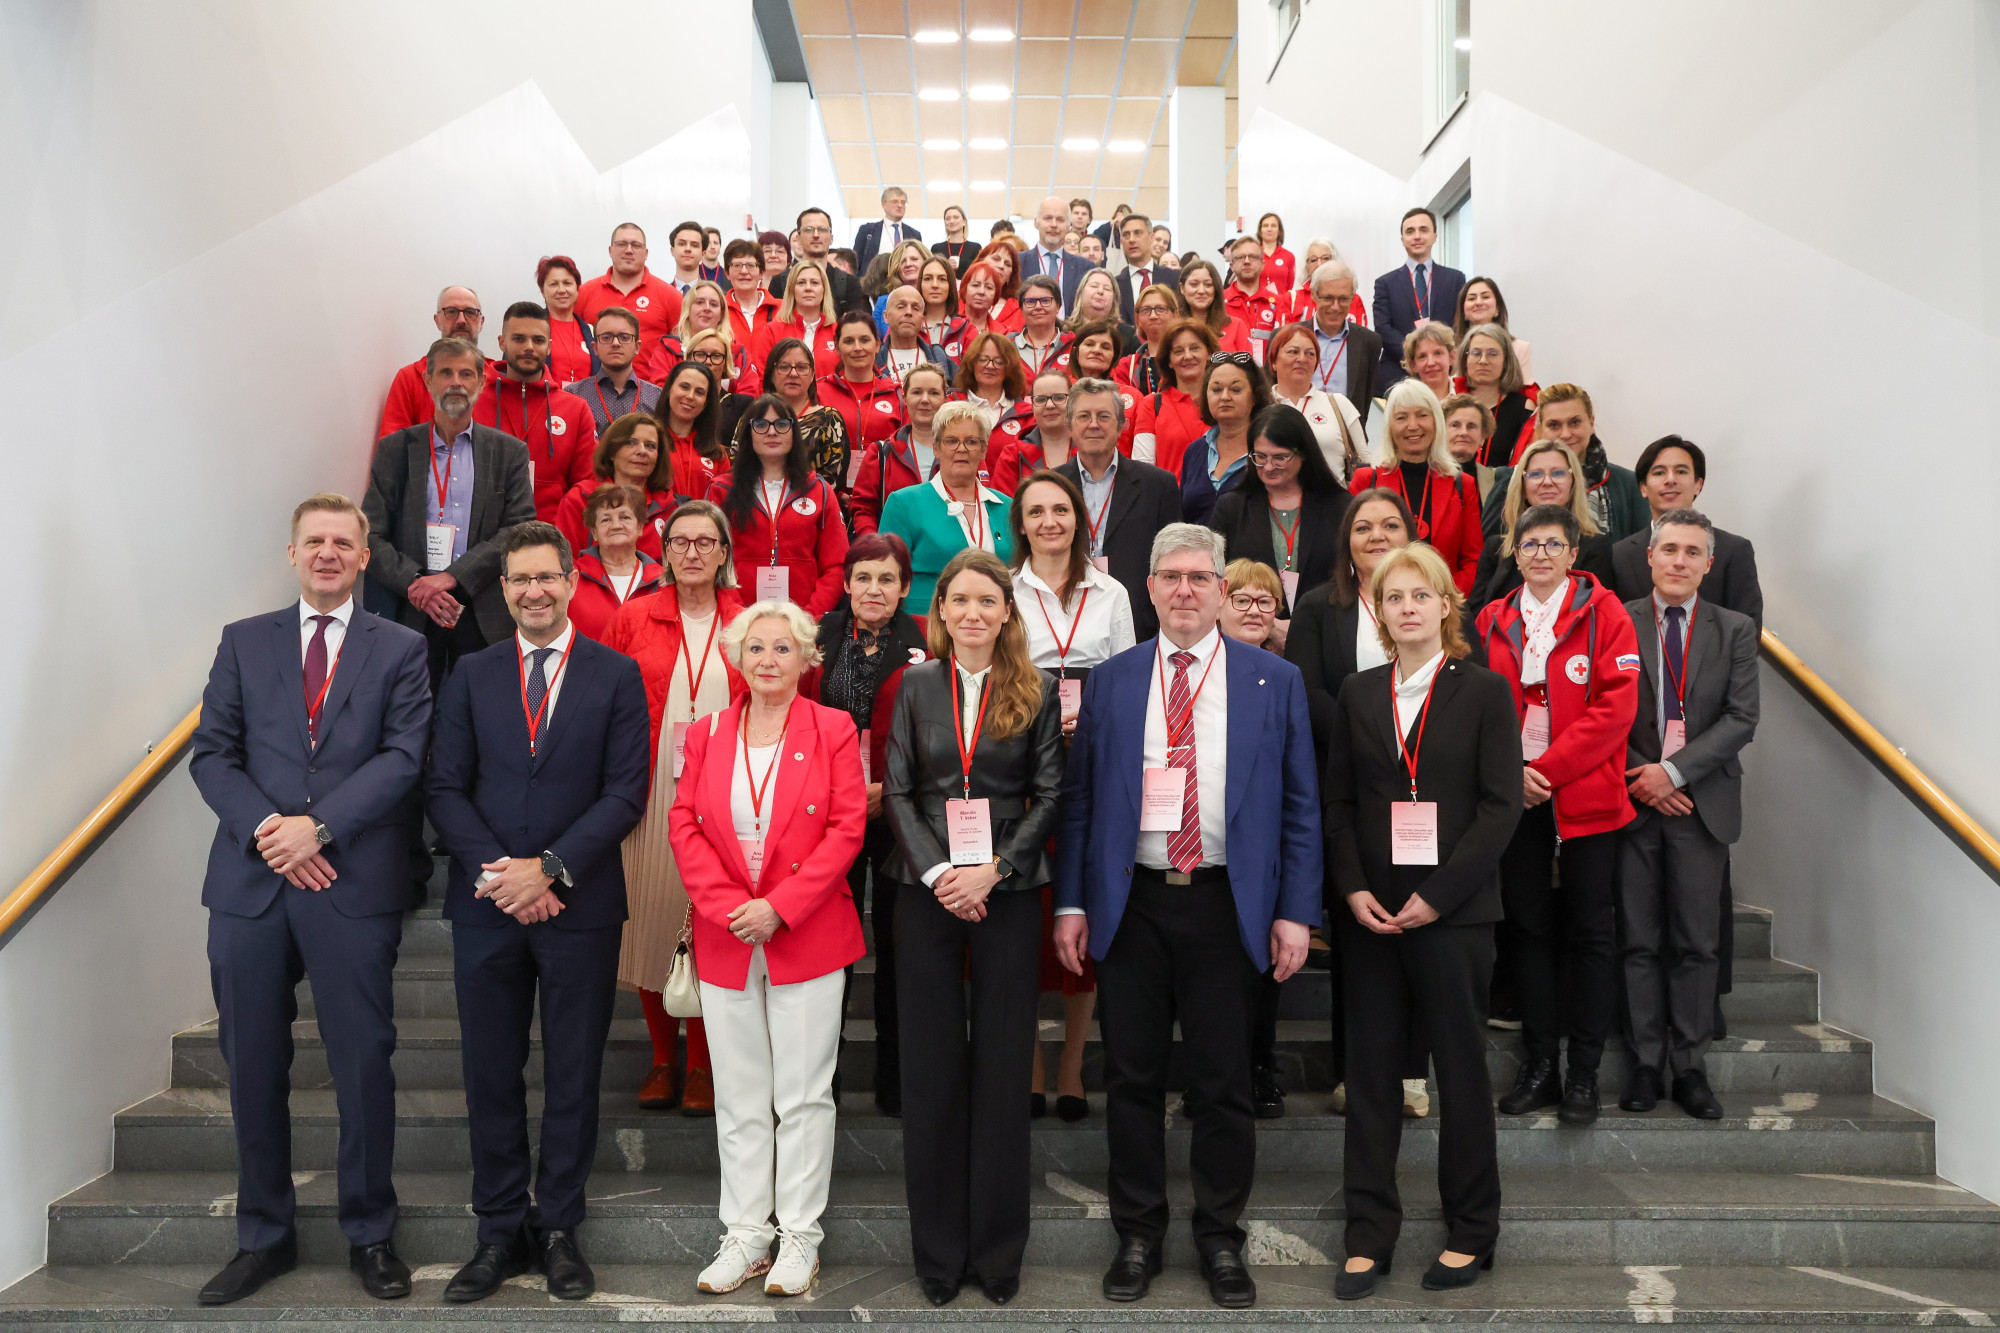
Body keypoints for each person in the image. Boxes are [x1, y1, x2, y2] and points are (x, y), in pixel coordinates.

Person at [1053, 523, 1319, 1310]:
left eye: (1199, 577)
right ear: (1148, 587)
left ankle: (1220, 1236)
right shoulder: (1112, 679)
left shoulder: (1274, 679)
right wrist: (1071, 899)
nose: (1184, 590)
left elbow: (1300, 806)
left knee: (1223, 1080)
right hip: (1132, 901)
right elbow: (1080, 801)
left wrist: (1295, 911)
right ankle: (1137, 1233)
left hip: (1227, 901)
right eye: (1169, 576)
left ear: (1222, 589)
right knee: (1131, 1076)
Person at [188, 494, 432, 1307]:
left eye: (342, 542)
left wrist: (318, 829)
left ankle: (371, 1233)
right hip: (251, 885)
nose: (328, 552)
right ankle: (264, 1235)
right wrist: (272, 830)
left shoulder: (400, 647)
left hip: (352, 882)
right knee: (253, 1063)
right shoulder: (243, 640)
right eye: (314, 541)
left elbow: (404, 757)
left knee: (362, 1062)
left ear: (364, 557)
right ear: (292, 554)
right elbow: (212, 753)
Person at [427, 522, 650, 1304]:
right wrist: (505, 876)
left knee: (573, 1072)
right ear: (503, 589)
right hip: (488, 905)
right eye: (519, 579)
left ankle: (557, 1227)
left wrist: (549, 869)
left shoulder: (616, 675)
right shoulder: (472, 673)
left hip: (580, 906)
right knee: (490, 1072)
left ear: (571, 581)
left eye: (546, 576)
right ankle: (497, 1230)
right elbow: (444, 786)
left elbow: (625, 791)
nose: (533, 591)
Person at [1322, 543, 1519, 1300]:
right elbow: (1340, 803)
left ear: (1446, 605)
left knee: (1461, 1074)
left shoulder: (1484, 691)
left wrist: (1440, 895)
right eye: (1392, 597)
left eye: (1420, 594)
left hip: (1454, 914)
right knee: (1371, 1077)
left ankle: (1472, 1229)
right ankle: (1368, 1234)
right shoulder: (1358, 692)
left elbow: (1501, 806)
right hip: (1372, 915)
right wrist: (1351, 891)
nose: (1407, 607)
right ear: (1377, 611)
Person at [668, 600, 868, 1298]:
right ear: (737, 657)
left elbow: (847, 829)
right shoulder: (707, 732)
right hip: (728, 934)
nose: (769, 659)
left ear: (808, 658)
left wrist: (779, 907)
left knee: (804, 1095)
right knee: (739, 1093)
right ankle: (747, 1233)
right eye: (756, 647)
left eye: (784, 647)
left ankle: (799, 1237)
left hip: (806, 931)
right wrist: (731, 908)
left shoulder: (834, 728)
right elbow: (684, 824)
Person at [884, 548, 1066, 1307]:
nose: (972, 612)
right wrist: (940, 875)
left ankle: (996, 1252)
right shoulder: (915, 685)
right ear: (941, 609)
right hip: (924, 892)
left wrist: (994, 870)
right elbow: (897, 791)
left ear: (1006, 611)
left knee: (1001, 1069)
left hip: (1008, 891)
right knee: (930, 1073)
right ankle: (938, 1254)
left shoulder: (1037, 687)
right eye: (959, 599)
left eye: (987, 600)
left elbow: (1050, 793)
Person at [1473, 503, 1640, 1127]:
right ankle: (1540, 1066)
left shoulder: (1607, 614)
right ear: (1515, 555)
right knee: (1528, 929)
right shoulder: (1492, 618)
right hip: (1517, 799)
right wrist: (1511, 775)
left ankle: (1584, 1074)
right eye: (1529, 545)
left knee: (1592, 932)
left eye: (1552, 544)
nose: (1540, 554)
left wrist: (1546, 770)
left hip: (1586, 797)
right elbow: (1479, 709)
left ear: (1573, 553)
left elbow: (1615, 709)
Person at [1282, 490, 1431, 1118]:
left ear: (1410, 534)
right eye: (1363, 526)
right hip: (1347, 788)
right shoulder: (1321, 606)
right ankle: (1353, 1072)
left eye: (1390, 524)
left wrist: (1408, 752)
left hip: (1424, 793)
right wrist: (1373, 740)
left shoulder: (1434, 602)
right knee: (1357, 937)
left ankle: (1413, 1075)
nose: (1376, 535)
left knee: (1418, 935)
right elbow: (1307, 688)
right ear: (1346, 540)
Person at [603, 501, 747, 1117]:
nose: (692, 552)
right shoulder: (633, 617)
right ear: (663, 553)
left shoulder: (748, 619)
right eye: (680, 542)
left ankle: (705, 1064)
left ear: (724, 552)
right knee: (654, 920)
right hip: (652, 784)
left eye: (705, 542)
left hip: (730, 787)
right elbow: (602, 703)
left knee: (713, 924)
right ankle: (664, 1059)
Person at [1618, 508, 1760, 1121]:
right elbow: (1595, 709)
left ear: (1708, 563)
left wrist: (1673, 773)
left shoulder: (1734, 630)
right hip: (1630, 803)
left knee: (1698, 944)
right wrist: (1644, 777)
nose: (1679, 561)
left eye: (1692, 552)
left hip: (1701, 806)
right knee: (1638, 940)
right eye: (1669, 549)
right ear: (1650, 556)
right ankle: (1645, 1064)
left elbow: (1741, 718)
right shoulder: (1614, 620)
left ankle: (1690, 1067)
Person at [1009, 471, 1136, 1122]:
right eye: (1036, 511)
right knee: (1028, 918)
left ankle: (1072, 1064)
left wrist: (1089, 723)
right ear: (1021, 524)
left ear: (1079, 520)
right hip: (1021, 758)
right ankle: (1032, 1062)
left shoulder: (1111, 591)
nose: (1050, 521)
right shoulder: (1006, 590)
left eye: (1061, 509)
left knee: (1081, 903)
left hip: (1094, 756)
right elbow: (995, 673)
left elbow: (1129, 679)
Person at [811, 534, 931, 1114]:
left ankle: (897, 1082)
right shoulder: (817, 637)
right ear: (846, 584)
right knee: (827, 948)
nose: (874, 589)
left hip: (898, 812)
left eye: (887, 579)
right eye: (863, 578)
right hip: (824, 814)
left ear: (905, 587)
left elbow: (939, 727)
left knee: (897, 943)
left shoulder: (928, 642)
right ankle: (821, 1083)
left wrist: (892, 789)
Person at [362, 338, 536, 687]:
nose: (456, 382)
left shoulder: (509, 453)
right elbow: (370, 534)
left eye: (466, 374)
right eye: (445, 373)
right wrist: (415, 582)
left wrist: (453, 576)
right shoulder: (395, 450)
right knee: (410, 711)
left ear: (481, 382)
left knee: (479, 710)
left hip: (482, 606)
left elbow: (518, 530)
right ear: (428, 381)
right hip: (410, 608)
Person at [1055, 378, 1183, 643]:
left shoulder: (1158, 485)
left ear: (1121, 425)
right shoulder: (1049, 485)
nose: (1093, 424)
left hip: (1138, 625)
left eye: (1104, 416)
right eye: (1083, 416)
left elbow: (1173, 563)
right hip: (1063, 619)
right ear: (1069, 425)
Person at [710, 395, 851, 616]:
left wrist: (809, 618)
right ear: (748, 433)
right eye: (761, 424)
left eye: (782, 424)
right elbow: (711, 559)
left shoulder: (819, 490)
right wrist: (738, 614)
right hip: (737, 618)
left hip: (804, 621)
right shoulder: (721, 490)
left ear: (794, 433)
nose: (772, 432)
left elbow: (837, 564)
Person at [1209, 403, 1349, 616]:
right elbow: (1213, 577)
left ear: (1303, 453)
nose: (1268, 467)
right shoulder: (1232, 508)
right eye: (1260, 457)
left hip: (1323, 626)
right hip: (1253, 626)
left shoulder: (1339, 506)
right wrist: (1272, 624)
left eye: (1280, 458)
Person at [1609, 435, 1763, 625]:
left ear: (1698, 485)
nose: (1670, 480)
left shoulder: (1734, 550)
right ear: (1643, 488)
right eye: (1659, 473)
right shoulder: (1619, 554)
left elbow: (1747, 630)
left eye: (1681, 471)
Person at [1349, 379, 1483, 595]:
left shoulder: (1462, 485)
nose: (1412, 425)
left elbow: (1473, 560)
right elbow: (1350, 551)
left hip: (1445, 603)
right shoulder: (1366, 480)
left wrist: (1442, 598)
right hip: (1378, 601)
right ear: (1389, 426)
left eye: (1422, 415)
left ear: (1437, 422)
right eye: (1402, 417)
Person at [879, 402, 1015, 607]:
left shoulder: (1007, 507)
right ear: (936, 448)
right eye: (951, 441)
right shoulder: (903, 503)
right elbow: (885, 576)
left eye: (971, 441)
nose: (962, 449)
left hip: (992, 619)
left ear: (983, 450)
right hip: (925, 620)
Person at [472, 301, 598, 522]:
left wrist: (558, 530)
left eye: (538, 340)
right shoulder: (473, 402)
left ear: (549, 347)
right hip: (484, 533)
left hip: (551, 534)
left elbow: (586, 485)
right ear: (502, 342)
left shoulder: (576, 410)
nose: (529, 347)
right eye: (519, 339)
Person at [1469, 439, 1616, 619]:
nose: (1547, 482)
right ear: (1523, 485)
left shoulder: (1596, 546)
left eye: (1558, 473)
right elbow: (1475, 618)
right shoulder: (1496, 548)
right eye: (1536, 474)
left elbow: (1598, 617)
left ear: (1573, 482)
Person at [1517, 383, 1648, 540]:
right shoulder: (1515, 483)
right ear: (1539, 429)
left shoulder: (1629, 485)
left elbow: (1642, 547)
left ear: (1591, 424)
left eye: (1575, 422)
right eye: (1554, 425)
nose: (1566, 434)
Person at [552, 412, 678, 564]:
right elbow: (564, 562)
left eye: (650, 446)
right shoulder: (581, 499)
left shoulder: (671, 507)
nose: (642, 451)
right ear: (612, 452)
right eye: (631, 443)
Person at [1372, 207, 1466, 392]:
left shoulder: (1455, 279)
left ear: (1435, 236)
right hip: (1397, 372)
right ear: (1402, 239)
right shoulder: (1385, 283)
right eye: (1410, 231)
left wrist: (1437, 356)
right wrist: (1415, 356)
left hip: (1444, 370)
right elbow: (1383, 328)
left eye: (1423, 230)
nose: (1417, 236)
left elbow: (1459, 323)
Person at [379, 287, 491, 436]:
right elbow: (393, 445)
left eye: (470, 312)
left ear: (481, 322)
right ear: (437, 321)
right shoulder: (410, 379)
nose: (461, 320)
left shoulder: (497, 380)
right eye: (451, 311)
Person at [1178, 351, 1272, 527]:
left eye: (1235, 389)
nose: (1224, 396)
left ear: (1254, 397)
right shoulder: (1195, 451)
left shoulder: (1269, 451)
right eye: (1216, 389)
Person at [852, 362, 948, 535]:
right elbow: (863, 508)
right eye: (917, 392)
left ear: (945, 400)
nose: (925, 399)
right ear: (905, 399)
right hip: (894, 549)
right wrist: (876, 544)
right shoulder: (881, 453)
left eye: (934, 393)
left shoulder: (963, 450)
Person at [1266, 322, 1368, 483]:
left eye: (1310, 354)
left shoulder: (1338, 404)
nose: (1302, 359)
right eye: (1293, 352)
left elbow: (1366, 462)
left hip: (1333, 497)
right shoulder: (1260, 405)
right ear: (1273, 361)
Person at [568, 484, 666, 641]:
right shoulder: (573, 578)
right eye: (606, 519)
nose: (616, 525)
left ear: (640, 527)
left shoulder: (664, 581)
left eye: (624, 517)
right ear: (594, 532)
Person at [760, 336, 852, 498]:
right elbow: (737, 468)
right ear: (771, 374)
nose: (793, 373)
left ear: (812, 375)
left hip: (811, 506)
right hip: (758, 504)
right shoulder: (754, 417)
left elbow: (832, 481)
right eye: (784, 367)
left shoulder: (829, 419)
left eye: (802, 367)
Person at [818, 307, 906, 473]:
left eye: (865, 340)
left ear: (877, 345)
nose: (857, 348)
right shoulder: (819, 393)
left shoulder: (897, 395)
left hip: (883, 486)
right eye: (849, 341)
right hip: (831, 488)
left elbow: (905, 451)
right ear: (837, 347)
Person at [1130, 318, 1218, 477]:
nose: (1188, 356)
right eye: (1178, 351)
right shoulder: (1152, 405)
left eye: (1195, 348)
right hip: (1169, 493)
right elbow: (1142, 469)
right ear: (1169, 360)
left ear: (1209, 353)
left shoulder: (1223, 400)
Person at [1304, 260, 1384, 433]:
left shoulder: (1369, 343)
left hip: (1346, 438)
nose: (1335, 307)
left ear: (1353, 297)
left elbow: (1364, 403)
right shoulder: (1289, 338)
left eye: (1343, 299)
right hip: (1298, 436)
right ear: (1314, 295)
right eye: (1328, 298)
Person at [578, 222, 683, 349]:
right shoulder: (583, 293)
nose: (628, 250)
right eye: (621, 244)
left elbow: (680, 348)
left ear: (646, 253)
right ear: (610, 250)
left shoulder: (671, 296)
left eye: (636, 245)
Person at [565, 305, 660, 432]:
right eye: (606, 337)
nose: (615, 343)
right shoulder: (573, 395)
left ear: (637, 347)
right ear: (595, 348)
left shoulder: (657, 398)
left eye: (624, 337)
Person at [1454, 323, 1537, 468]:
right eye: (1476, 353)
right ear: (1465, 359)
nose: (1483, 361)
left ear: (1506, 361)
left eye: (1492, 354)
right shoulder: (1452, 403)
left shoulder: (1523, 407)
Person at [986, 368, 1080, 492]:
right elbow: (1003, 503)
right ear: (1032, 406)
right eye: (1040, 399)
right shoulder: (1013, 456)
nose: (1050, 405)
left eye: (1058, 398)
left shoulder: (1089, 449)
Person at [768, 207, 869, 315]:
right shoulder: (780, 282)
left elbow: (854, 323)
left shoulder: (849, 283)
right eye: (809, 229)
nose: (816, 235)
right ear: (798, 239)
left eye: (822, 229)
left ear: (831, 238)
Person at [752, 258, 840, 381]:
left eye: (815, 282)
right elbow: (761, 378)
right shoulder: (772, 331)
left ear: (824, 289)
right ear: (792, 289)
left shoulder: (838, 332)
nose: (808, 288)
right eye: (801, 283)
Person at [637, 278, 732, 383]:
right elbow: (659, 389)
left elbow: (744, 389)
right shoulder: (667, 351)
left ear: (721, 314)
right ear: (688, 310)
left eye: (714, 304)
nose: (707, 308)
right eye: (700, 302)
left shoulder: (735, 352)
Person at [1023, 194, 1096, 314]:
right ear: (1036, 222)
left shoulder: (1085, 268)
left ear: (1069, 225)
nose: (1054, 224)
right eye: (1047, 218)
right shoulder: (1018, 262)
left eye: (1060, 220)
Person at [1453, 276, 1532, 382]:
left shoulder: (1519, 348)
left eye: (1485, 297)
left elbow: (1527, 388)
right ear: (1463, 312)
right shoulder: (1452, 349)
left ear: (1497, 308)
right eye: (1472, 298)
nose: (1478, 302)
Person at [1222, 236, 1285, 363]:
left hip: (1267, 373)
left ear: (1262, 264)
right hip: (1230, 373)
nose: (1247, 261)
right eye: (1240, 257)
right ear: (1232, 266)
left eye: (1253, 257)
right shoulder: (1219, 302)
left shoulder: (1279, 303)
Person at [1114, 283, 1183, 397]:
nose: (1153, 316)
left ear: (1175, 314)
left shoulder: (1186, 358)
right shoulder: (1126, 366)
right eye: (1146, 310)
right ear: (1137, 318)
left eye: (1160, 309)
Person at [878, 283, 957, 380]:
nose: (909, 312)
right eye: (901, 307)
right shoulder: (874, 359)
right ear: (886, 316)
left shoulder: (938, 356)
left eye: (915, 308)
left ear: (922, 320)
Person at [539, 257, 597, 386]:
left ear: (577, 288)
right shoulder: (532, 327)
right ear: (543, 291)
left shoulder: (591, 331)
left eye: (567, 283)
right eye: (553, 284)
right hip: (545, 398)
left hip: (584, 399)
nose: (561, 290)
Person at [1176, 257, 1251, 354]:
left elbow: (1247, 363)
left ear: (1216, 289)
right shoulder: (1173, 326)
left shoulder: (1236, 326)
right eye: (1194, 284)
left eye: (1208, 285)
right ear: (1182, 288)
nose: (1201, 291)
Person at [1114, 212, 1178, 320]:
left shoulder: (1173, 277)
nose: (1131, 239)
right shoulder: (1115, 285)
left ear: (1151, 237)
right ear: (1121, 241)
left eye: (1137, 233)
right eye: (1126, 235)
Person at [953, 330, 1028, 419]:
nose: (990, 366)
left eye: (999, 362)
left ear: (1010, 368)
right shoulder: (952, 405)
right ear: (971, 363)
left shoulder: (1025, 413)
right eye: (983, 359)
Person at [723, 239, 782, 348]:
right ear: (727, 273)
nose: (744, 271)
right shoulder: (719, 310)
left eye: (750, 265)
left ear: (762, 272)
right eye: (737, 265)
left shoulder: (782, 309)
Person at [1011, 274, 1070, 378]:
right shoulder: (1006, 347)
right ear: (1021, 309)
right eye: (1030, 301)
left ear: (1058, 306)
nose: (1038, 307)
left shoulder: (1072, 346)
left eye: (1045, 300)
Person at [854, 184, 921, 272]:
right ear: (884, 204)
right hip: (874, 277)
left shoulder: (914, 235)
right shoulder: (868, 231)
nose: (900, 205)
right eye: (895, 201)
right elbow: (856, 261)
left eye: (903, 202)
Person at [870, 239, 931, 334]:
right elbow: (874, 338)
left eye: (914, 259)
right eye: (902, 261)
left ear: (926, 262)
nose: (908, 264)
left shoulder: (933, 299)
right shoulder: (883, 302)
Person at [1397, 322, 1458, 414]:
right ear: (1413, 365)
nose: (1431, 363)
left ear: (1451, 357)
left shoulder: (1467, 393)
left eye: (1437, 353)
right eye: (1422, 356)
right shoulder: (1404, 402)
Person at [915, 257, 967, 355]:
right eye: (928, 279)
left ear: (950, 285)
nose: (934, 285)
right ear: (920, 285)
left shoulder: (966, 329)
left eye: (942, 279)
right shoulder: (906, 325)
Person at [1065, 269, 1130, 346]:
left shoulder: (1127, 335)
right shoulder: (1064, 331)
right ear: (1080, 293)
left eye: (1107, 289)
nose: (1100, 291)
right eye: (1094, 286)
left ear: (1114, 299)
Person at [958, 255, 1016, 339]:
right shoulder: (948, 326)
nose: (981, 292)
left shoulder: (1004, 335)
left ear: (995, 295)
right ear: (964, 290)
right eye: (975, 285)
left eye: (989, 287)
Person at [1254, 212, 1298, 293]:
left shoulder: (1289, 256)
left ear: (1279, 231)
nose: (1269, 229)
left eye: (1273, 226)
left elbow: (1289, 286)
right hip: (1257, 300)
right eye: (1265, 226)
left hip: (1281, 300)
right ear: (1260, 230)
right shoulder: (1253, 254)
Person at [933, 204, 980, 277]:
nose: (951, 221)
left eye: (956, 217)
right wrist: (945, 265)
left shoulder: (975, 248)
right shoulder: (936, 248)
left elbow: (978, 272)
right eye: (948, 218)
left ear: (964, 221)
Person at [664, 220, 708, 294]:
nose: (688, 249)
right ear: (672, 250)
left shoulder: (712, 297)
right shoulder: (662, 294)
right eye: (682, 244)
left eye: (694, 245)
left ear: (703, 253)